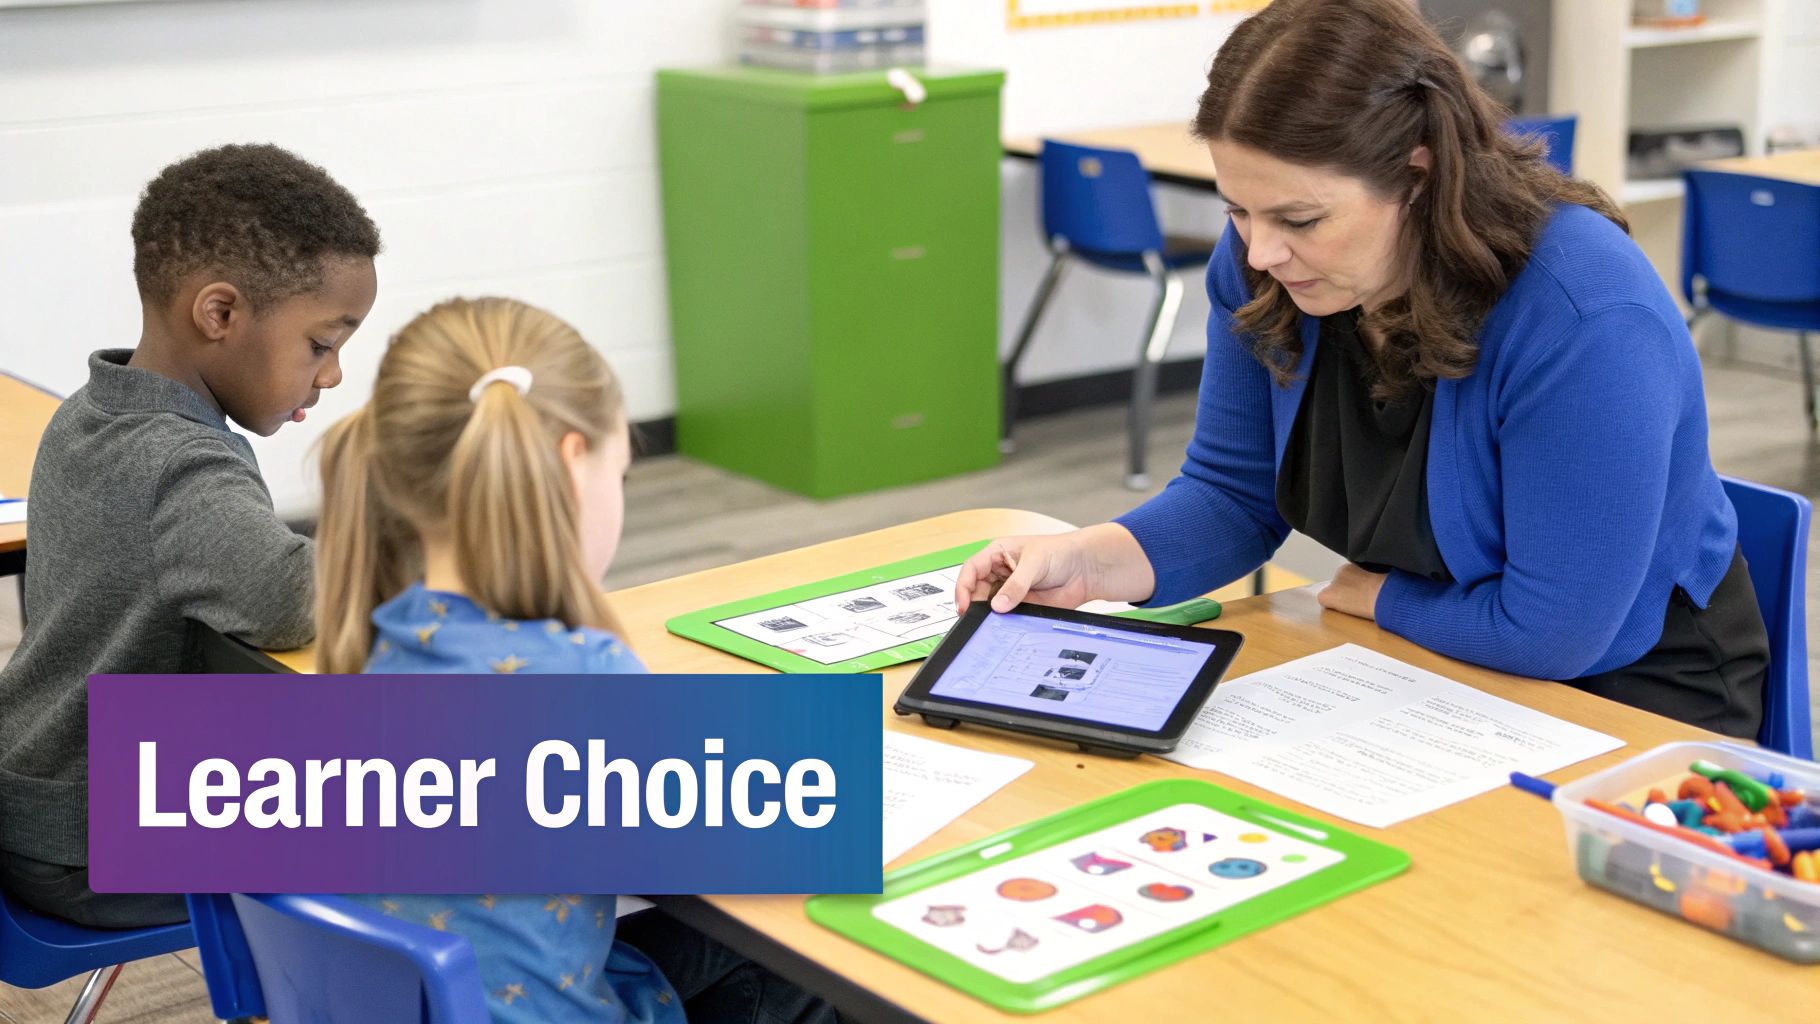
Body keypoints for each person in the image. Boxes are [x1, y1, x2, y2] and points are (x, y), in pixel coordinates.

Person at [958, 0, 1768, 737]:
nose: (1261, 251)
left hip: (1632, 702)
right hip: (1423, 665)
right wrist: (1093, 560)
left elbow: (1556, 631)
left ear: (1417, 177)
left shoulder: (1584, 314)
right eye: (1237, 210)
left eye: (1299, 218)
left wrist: (1385, 598)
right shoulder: (1267, 271)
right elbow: (1233, 498)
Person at [317, 297, 837, 1024]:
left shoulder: (369, 649)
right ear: (570, 464)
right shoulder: (589, 679)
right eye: (619, 472)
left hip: (416, 1005)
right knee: (803, 951)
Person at [0, 143, 380, 927]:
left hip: (41, 789)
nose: (334, 374)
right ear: (219, 314)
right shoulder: (181, 463)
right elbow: (284, 598)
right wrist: (439, 538)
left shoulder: (90, 411)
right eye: (321, 344)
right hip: (97, 841)